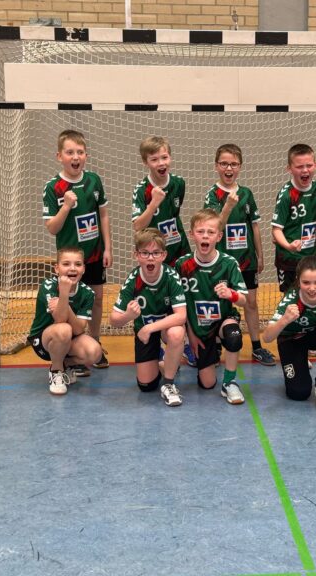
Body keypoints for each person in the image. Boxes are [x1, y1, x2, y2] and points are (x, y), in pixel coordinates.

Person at [42, 129, 112, 375]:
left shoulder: (93, 180)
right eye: (70, 152)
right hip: (71, 260)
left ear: (86, 155)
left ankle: (95, 342)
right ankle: (70, 351)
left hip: (93, 255)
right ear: (59, 156)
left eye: (80, 152)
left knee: (97, 299)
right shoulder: (53, 187)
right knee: (71, 301)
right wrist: (66, 206)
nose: (75, 157)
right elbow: (52, 227)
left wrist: (108, 247)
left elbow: (103, 215)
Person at [204, 143, 276, 367]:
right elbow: (215, 227)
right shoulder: (212, 195)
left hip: (246, 260)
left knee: (251, 302)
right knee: (220, 301)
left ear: (240, 167)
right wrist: (227, 206)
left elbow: (254, 226)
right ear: (216, 166)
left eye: (234, 164)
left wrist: (260, 255)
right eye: (224, 163)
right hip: (222, 262)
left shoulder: (246, 194)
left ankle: (256, 346)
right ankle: (215, 346)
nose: (229, 168)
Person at [132, 135, 196, 367]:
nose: (161, 163)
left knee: (182, 297)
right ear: (145, 162)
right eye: (154, 159)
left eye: (164, 157)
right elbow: (138, 225)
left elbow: (175, 214)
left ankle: (185, 343)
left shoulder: (179, 183)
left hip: (179, 249)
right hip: (154, 253)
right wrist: (153, 204)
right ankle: (156, 344)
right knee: (156, 297)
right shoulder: (142, 190)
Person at [174, 209, 249, 405]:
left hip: (223, 320)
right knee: (207, 384)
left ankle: (229, 382)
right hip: (200, 328)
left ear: (219, 236)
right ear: (192, 235)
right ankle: (212, 347)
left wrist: (231, 294)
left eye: (211, 232)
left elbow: (244, 300)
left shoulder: (228, 263)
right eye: (200, 231)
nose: (205, 236)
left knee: (234, 336)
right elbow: (179, 306)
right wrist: (190, 336)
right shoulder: (182, 265)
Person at [110, 229, 188, 407]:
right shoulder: (133, 279)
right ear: (136, 255)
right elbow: (113, 320)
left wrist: (149, 328)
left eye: (156, 253)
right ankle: (164, 362)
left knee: (177, 333)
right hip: (144, 333)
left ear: (164, 255)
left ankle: (169, 384)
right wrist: (128, 316)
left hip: (163, 328)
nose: (150, 258)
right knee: (146, 385)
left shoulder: (171, 276)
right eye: (145, 253)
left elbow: (181, 316)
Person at [263, 256, 316, 411]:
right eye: (306, 282)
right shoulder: (290, 301)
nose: (312, 288)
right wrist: (284, 320)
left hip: (315, 337)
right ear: (298, 281)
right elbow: (266, 338)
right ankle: (299, 360)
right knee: (298, 392)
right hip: (291, 340)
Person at [27, 247, 102, 395]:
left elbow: (79, 330)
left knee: (95, 352)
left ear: (83, 269)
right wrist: (64, 292)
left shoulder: (87, 293)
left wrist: (65, 304)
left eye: (78, 264)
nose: (72, 268)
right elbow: (60, 320)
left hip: (70, 339)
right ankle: (56, 371)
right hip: (43, 340)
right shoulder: (48, 286)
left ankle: (65, 364)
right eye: (66, 264)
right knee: (64, 329)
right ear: (57, 268)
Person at [271, 143, 316, 293]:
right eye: (299, 167)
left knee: (310, 294)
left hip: (310, 256)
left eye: (309, 165)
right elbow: (276, 230)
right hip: (289, 259)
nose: (305, 170)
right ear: (289, 168)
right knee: (290, 298)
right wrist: (288, 246)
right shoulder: (286, 195)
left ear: (315, 165)